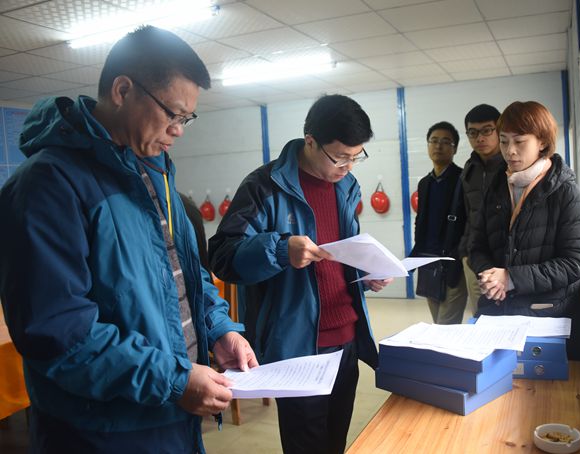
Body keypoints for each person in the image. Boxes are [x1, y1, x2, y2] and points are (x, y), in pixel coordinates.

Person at [0, 26, 257, 453]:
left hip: (171, 415)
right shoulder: (47, 186)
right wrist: (175, 380)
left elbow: (184, 275)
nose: (179, 130)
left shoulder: (154, 171)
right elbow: (59, 333)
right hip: (102, 434)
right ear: (122, 91)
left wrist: (218, 329)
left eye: (186, 119)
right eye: (173, 114)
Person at [209, 94, 392, 454]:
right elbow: (223, 256)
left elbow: (338, 254)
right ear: (310, 141)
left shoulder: (346, 186)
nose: (348, 166)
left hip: (346, 339)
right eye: (340, 156)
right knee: (306, 446)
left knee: (336, 441)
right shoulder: (263, 186)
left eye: (356, 157)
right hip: (296, 347)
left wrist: (365, 272)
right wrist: (280, 250)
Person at [468, 101, 580, 359]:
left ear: (542, 142)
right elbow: (476, 245)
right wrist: (491, 278)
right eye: (503, 141)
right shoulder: (497, 186)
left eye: (520, 142)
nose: (510, 151)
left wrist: (510, 278)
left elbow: (575, 263)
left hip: (546, 314)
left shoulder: (565, 191)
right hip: (497, 309)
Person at [411, 121, 467, 324]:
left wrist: (458, 253)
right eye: (433, 141)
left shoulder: (463, 179)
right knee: (437, 323)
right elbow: (421, 222)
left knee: (446, 325)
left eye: (445, 142)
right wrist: (414, 256)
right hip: (429, 264)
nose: (438, 146)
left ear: (455, 148)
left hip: (453, 264)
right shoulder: (425, 183)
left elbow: (469, 224)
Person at [459, 104, 505, 320]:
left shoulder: (511, 165)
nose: (480, 138)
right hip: (473, 258)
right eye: (473, 132)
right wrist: (465, 250)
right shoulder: (470, 168)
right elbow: (467, 212)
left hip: (503, 259)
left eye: (487, 130)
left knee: (504, 316)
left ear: (499, 130)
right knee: (480, 315)